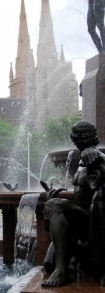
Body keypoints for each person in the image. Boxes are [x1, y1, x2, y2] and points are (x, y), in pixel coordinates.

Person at [41, 121, 105, 287]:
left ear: (88, 137)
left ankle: (62, 271)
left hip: (94, 219)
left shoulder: (97, 159)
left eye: (78, 136)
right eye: (74, 136)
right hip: (80, 217)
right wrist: (58, 194)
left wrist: (99, 158)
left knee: (55, 205)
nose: (75, 139)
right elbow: (79, 194)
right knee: (48, 264)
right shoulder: (83, 162)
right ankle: (60, 268)